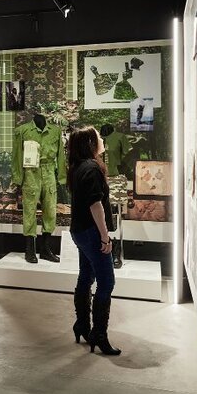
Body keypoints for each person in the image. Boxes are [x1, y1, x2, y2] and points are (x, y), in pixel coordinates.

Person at [67, 126, 121, 356]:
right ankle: (99, 335)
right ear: (90, 143)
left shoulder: (78, 167)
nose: (101, 139)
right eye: (98, 136)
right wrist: (104, 236)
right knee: (106, 282)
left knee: (86, 277)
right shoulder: (92, 168)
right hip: (90, 232)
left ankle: (82, 325)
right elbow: (95, 205)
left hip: (79, 231)